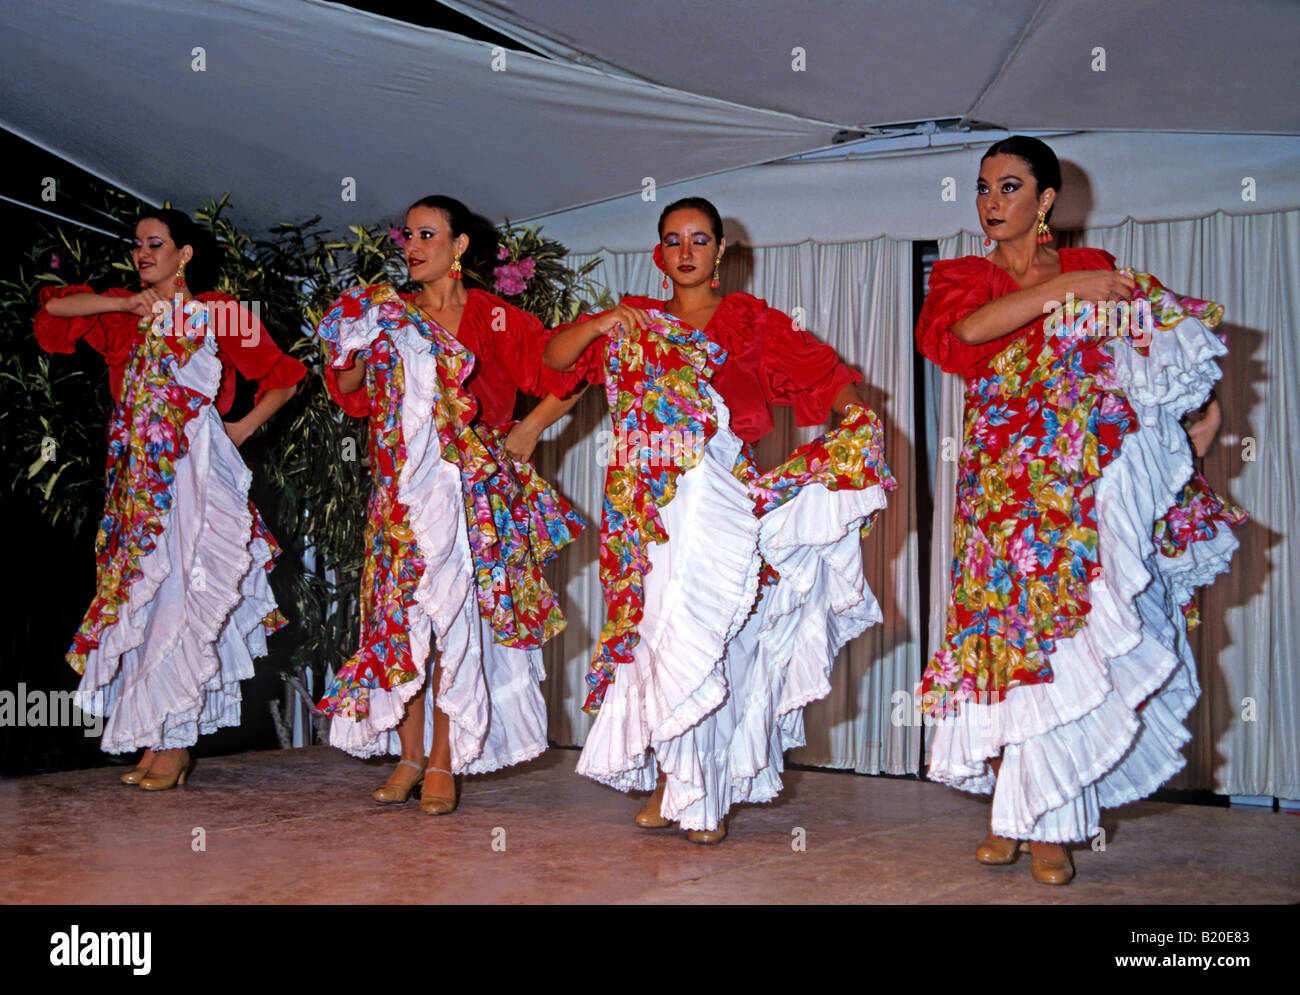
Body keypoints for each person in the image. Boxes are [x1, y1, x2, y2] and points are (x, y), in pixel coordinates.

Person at [915, 136, 1245, 883]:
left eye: (1008, 187)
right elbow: (964, 336)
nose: (991, 203)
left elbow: (1155, 341)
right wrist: (1061, 296)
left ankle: (1049, 822)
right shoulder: (968, 276)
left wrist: (1205, 412)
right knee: (1011, 637)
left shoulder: (1096, 272)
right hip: (1005, 490)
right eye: (983, 188)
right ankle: (1015, 805)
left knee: (1071, 639)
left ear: (1047, 200)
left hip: (1083, 478)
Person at [544, 197, 895, 843]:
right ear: (659, 251)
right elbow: (560, 361)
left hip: (713, 493)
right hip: (640, 506)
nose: (685, 251)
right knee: (656, 633)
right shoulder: (635, 322)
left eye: (699, 239)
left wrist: (859, 415)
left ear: (720, 251)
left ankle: (699, 792)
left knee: (705, 630)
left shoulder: (748, 323)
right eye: (673, 239)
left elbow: (822, 376)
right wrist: (598, 327)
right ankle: (668, 779)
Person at [316, 195, 584, 814]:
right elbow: (349, 392)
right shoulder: (389, 315)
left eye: (427, 234)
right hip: (401, 492)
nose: (411, 246)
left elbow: (567, 378)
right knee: (401, 621)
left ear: (459, 246)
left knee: (453, 623)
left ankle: (442, 759)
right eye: (406, 235)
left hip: (472, 495)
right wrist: (348, 345)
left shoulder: (499, 319)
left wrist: (526, 431)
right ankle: (408, 758)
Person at [34, 208, 305, 789]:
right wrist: (122, 305)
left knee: (185, 590)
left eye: (155, 243)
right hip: (135, 480)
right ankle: (154, 733)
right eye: (136, 244)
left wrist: (237, 430)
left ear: (185, 254)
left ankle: (177, 741)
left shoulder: (219, 313)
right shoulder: (125, 315)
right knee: (143, 600)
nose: (141, 253)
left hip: (193, 473)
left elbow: (286, 376)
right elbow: (53, 310)